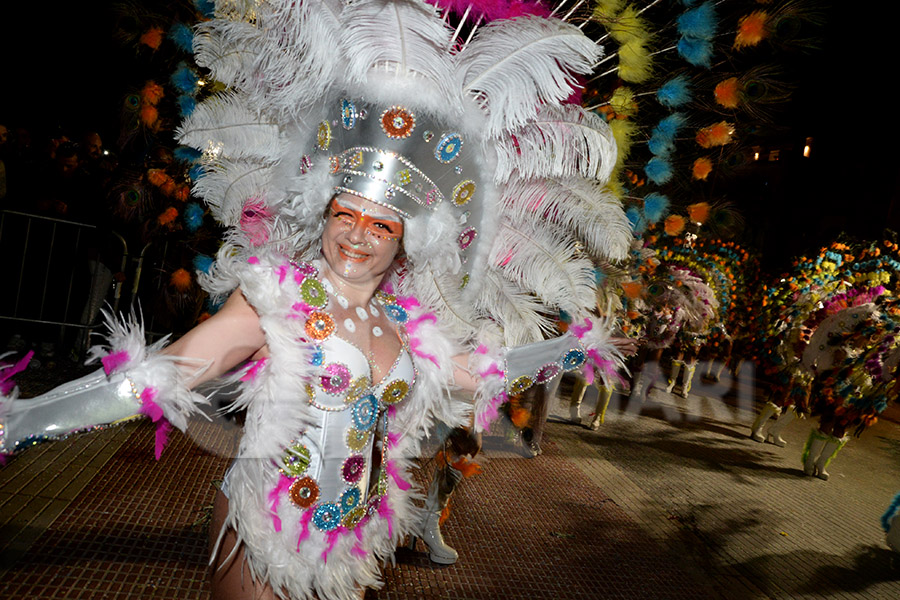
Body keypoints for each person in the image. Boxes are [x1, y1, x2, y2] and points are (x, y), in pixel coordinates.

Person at [1, 1, 629, 599]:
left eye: (381, 225)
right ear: (321, 211)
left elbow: (488, 372)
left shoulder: (411, 328)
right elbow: (163, 375)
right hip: (263, 529)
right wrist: (24, 420)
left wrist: (579, 350)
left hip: (353, 543)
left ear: (406, 243)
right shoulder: (277, 299)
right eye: (345, 213)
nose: (358, 233)